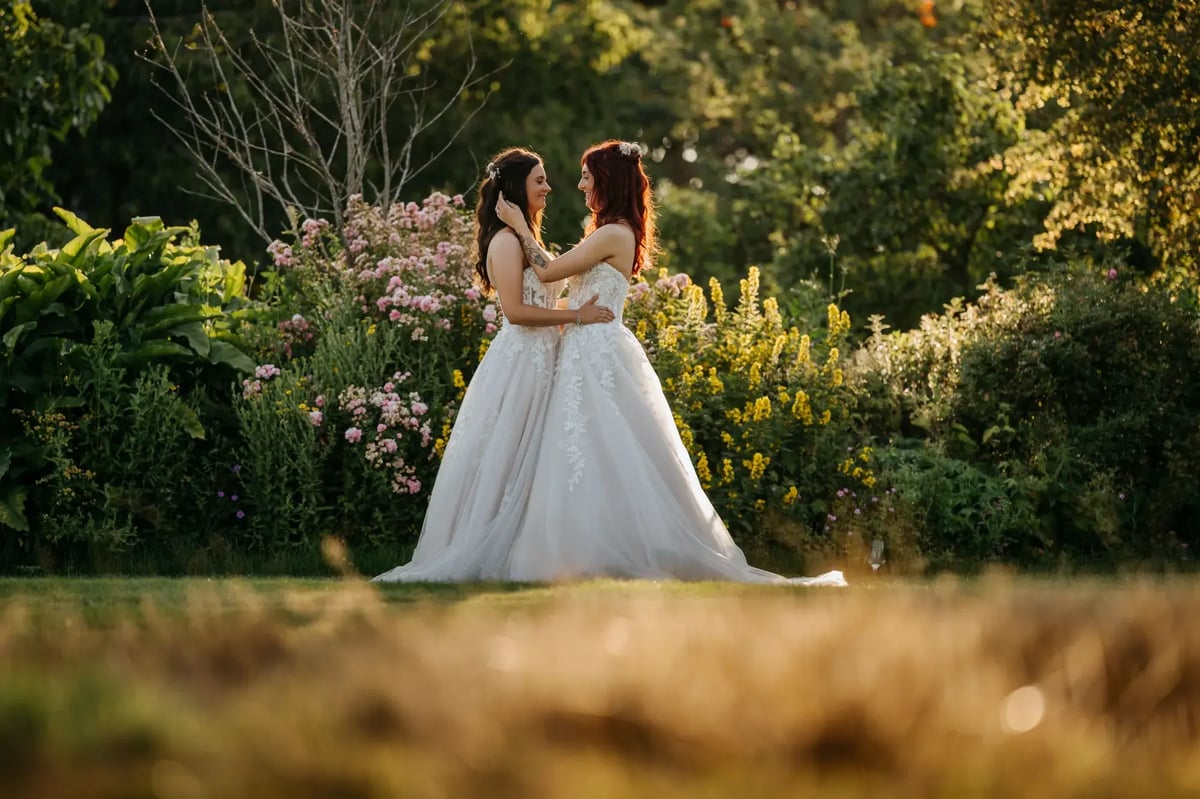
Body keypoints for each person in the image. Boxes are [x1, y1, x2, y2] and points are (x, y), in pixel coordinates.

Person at [495, 139, 845, 586]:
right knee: (586, 448)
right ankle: (581, 546)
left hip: (596, 350)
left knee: (603, 446)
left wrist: (517, 226)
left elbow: (546, 271)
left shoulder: (612, 233)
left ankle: (604, 550)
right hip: (585, 347)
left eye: (587, 176)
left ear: (606, 181)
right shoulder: (610, 232)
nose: (579, 184)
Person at [372, 148, 615, 582]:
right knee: (508, 454)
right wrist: (575, 315)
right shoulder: (505, 241)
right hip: (521, 362)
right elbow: (517, 312)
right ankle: (485, 547)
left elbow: (543, 292)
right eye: (539, 180)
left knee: (533, 457)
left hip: (545, 359)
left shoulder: (523, 239)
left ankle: (526, 549)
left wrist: (576, 305)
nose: (548, 187)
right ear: (516, 187)